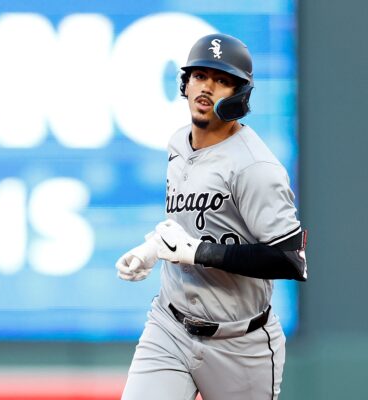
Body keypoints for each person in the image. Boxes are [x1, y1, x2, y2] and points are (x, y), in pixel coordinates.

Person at [116, 33, 307, 400]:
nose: (207, 87)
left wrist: (199, 253)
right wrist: (154, 248)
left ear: (240, 95)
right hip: (170, 326)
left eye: (222, 80)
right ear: (185, 83)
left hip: (241, 344)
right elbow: (195, 222)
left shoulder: (255, 166)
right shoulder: (177, 143)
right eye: (200, 75)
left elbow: (290, 260)